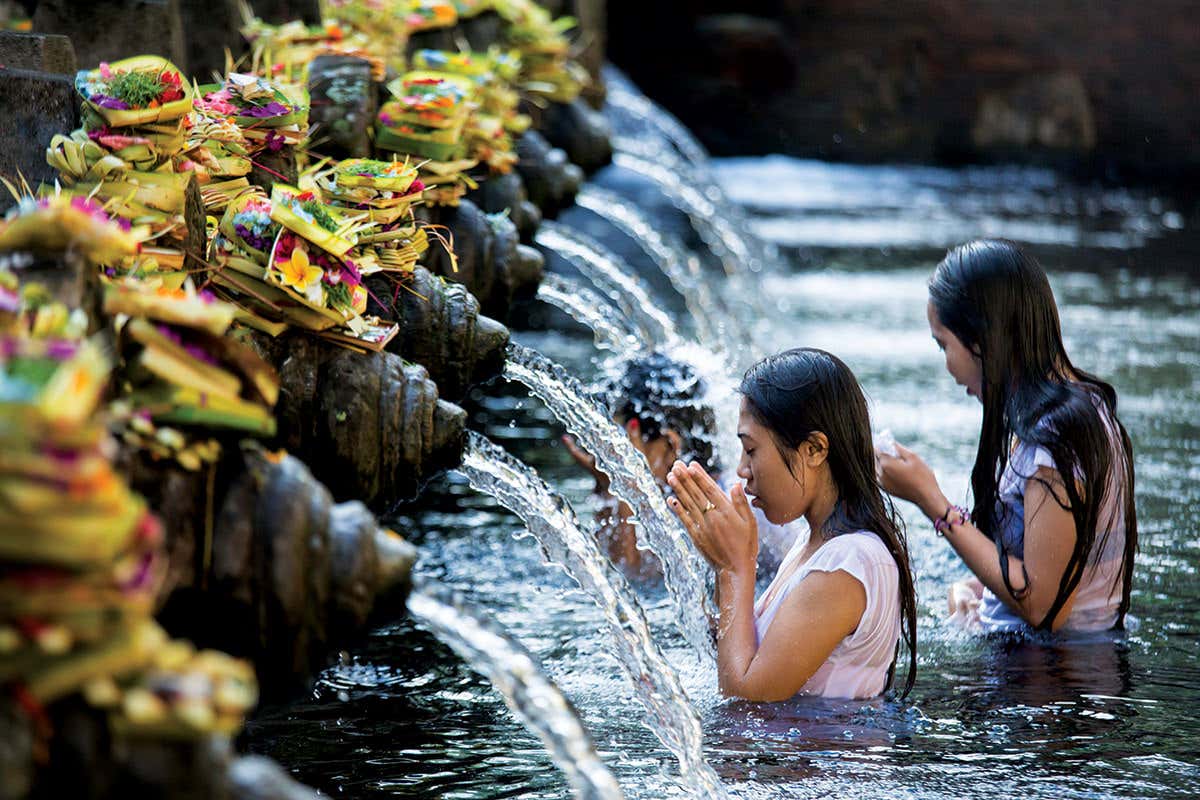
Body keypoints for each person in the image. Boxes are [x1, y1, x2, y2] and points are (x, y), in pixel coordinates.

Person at [877, 239, 1137, 634]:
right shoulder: (1078, 411)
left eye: (943, 344)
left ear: (983, 341)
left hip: (1048, 679)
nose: (946, 365)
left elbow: (1043, 606)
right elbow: (1050, 560)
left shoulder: (1056, 438)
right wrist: (972, 588)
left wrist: (930, 501)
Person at [666, 348, 918, 701]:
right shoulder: (814, 545)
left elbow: (745, 701)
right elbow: (745, 652)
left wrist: (734, 567)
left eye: (751, 450)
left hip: (824, 755)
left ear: (814, 450)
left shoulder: (847, 564)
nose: (742, 469)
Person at [565, 351, 799, 580]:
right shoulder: (669, 505)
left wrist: (621, 485)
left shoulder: (737, 503)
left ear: (669, 445)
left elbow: (631, 579)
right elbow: (604, 569)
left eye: (621, 445)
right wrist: (606, 487)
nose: (611, 458)